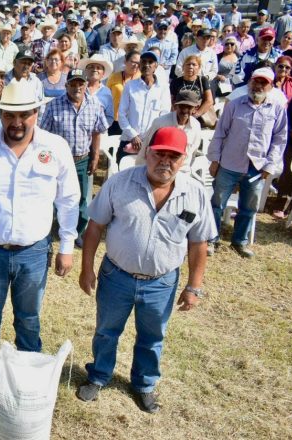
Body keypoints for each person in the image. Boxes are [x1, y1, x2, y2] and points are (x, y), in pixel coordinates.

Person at [77, 126, 216, 413]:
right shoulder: (119, 183)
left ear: (184, 159)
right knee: (106, 331)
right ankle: (99, 375)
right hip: (116, 276)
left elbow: (198, 243)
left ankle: (144, 384)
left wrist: (194, 287)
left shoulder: (195, 194)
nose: (165, 161)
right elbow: (95, 227)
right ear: (147, 153)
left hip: (161, 283)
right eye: (159, 153)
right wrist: (86, 268)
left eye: (173, 156)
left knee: (152, 337)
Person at [0, 79, 79, 388]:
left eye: (25, 115)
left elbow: (69, 198)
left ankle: (28, 364)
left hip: (33, 251)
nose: (17, 122)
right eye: (10, 115)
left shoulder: (55, 148)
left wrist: (67, 245)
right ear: (0, 114)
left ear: (37, 112)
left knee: (29, 315)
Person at [207, 68, 287, 258]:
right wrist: (214, 160)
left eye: (263, 83)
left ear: (270, 85)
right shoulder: (234, 105)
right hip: (229, 163)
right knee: (217, 204)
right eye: (256, 81)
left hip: (257, 167)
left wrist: (270, 165)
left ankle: (240, 242)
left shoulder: (276, 109)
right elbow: (220, 133)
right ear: (250, 82)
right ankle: (211, 239)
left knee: (249, 207)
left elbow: (279, 139)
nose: (259, 86)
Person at [40, 68, 108, 244]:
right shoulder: (54, 105)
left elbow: (97, 133)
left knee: (82, 198)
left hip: (82, 159)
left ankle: (77, 231)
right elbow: (43, 134)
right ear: (66, 85)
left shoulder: (94, 105)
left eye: (80, 83)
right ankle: (49, 228)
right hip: (58, 161)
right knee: (52, 194)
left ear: (86, 85)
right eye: (73, 83)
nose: (77, 87)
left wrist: (94, 158)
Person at [118, 51, 171, 163]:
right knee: (124, 174)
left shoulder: (163, 88)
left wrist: (149, 138)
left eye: (150, 62)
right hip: (129, 140)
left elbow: (164, 116)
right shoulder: (130, 86)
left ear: (156, 65)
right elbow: (122, 114)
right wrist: (133, 136)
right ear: (139, 65)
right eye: (144, 62)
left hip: (152, 142)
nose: (147, 65)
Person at [135, 89, 202, 175]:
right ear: (175, 106)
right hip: (159, 171)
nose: (185, 110)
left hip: (182, 173)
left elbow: (193, 154)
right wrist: (140, 172)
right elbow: (146, 149)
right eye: (182, 106)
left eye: (189, 107)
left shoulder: (196, 126)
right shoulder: (160, 123)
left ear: (195, 108)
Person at [170, 55, 214, 121]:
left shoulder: (203, 80)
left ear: (199, 68)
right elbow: (172, 100)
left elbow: (209, 101)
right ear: (183, 67)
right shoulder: (176, 81)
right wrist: (179, 114)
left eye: (194, 64)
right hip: (179, 116)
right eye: (188, 64)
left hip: (198, 117)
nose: (190, 67)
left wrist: (197, 115)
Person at [80, 54, 115, 126]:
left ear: (103, 73)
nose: (95, 69)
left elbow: (109, 117)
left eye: (98, 67)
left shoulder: (107, 92)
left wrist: (98, 130)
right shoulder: (78, 87)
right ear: (85, 71)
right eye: (91, 67)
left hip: (99, 133)